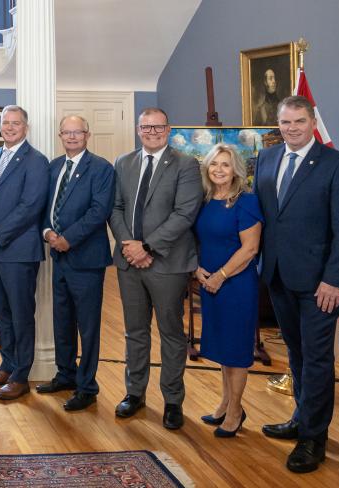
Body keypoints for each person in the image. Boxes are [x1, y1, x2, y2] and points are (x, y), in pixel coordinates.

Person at [256, 96, 339, 473]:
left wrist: (335, 280)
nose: (291, 129)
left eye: (299, 122)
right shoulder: (267, 159)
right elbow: (268, 219)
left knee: (318, 360)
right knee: (297, 354)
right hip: (278, 277)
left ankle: (314, 438)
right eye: (285, 123)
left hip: (321, 283)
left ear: (312, 121)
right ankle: (301, 419)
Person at [108, 107, 202, 430]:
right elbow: (116, 208)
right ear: (138, 129)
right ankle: (134, 393)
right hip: (128, 262)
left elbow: (185, 213)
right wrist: (129, 246)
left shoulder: (186, 164)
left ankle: (173, 400)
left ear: (168, 129)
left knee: (171, 333)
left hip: (168, 263)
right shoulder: (124, 163)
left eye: (157, 127)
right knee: (135, 332)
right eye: (146, 127)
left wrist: (147, 247)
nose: (151, 132)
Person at [35, 115, 115, 411]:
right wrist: (47, 232)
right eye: (66, 132)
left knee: (88, 326)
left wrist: (68, 238)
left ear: (87, 135)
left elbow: (99, 211)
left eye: (77, 132)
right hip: (58, 255)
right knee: (62, 320)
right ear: (60, 135)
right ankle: (65, 374)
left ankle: (87, 386)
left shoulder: (102, 168)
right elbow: (44, 207)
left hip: (86, 259)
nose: (71, 137)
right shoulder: (54, 166)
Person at [0, 106, 49, 401]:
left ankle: (21, 375)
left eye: (16, 123)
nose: (10, 128)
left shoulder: (36, 161)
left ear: (26, 128)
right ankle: (6, 365)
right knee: (1, 313)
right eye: (6, 123)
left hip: (17, 251)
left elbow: (31, 207)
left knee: (20, 314)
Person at [192, 143, 263, 437]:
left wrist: (220, 276)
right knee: (222, 349)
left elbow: (250, 249)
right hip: (210, 286)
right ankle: (224, 403)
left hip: (236, 285)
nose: (219, 170)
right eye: (214, 164)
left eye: (225, 164)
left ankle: (236, 411)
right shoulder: (207, 200)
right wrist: (196, 268)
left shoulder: (246, 201)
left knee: (235, 350)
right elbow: (199, 240)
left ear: (235, 170)